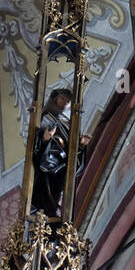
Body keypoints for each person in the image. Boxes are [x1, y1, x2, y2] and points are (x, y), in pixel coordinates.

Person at [32, 87, 90, 217]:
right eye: (62, 99)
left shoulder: (70, 123)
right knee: (48, 199)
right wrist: (46, 139)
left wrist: (81, 145)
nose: (65, 103)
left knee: (58, 194)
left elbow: (72, 149)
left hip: (62, 166)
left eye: (68, 101)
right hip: (50, 166)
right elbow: (37, 149)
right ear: (54, 99)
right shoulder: (46, 118)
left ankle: (54, 214)